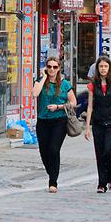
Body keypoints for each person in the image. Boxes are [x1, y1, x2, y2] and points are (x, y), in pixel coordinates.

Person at [32, 57, 76, 193]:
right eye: (49, 67)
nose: (52, 69)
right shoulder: (40, 81)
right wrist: (44, 77)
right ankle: (51, 172)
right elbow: (34, 93)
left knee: (53, 149)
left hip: (59, 120)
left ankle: (53, 181)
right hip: (43, 120)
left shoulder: (65, 84)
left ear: (59, 69)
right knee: (44, 151)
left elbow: (73, 102)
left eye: (55, 67)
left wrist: (58, 107)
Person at [83, 56, 111, 193]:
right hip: (98, 123)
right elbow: (90, 106)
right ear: (97, 69)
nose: (103, 69)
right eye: (101, 66)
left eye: (106, 66)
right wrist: (87, 127)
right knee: (100, 154)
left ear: (109, 68)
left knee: (108, 151)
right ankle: (102, 183)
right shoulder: (93, 85)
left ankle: (110, 176)